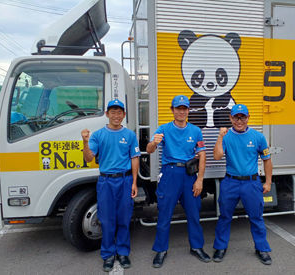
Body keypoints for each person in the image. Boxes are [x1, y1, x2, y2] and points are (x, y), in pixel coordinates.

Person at [146, 95, 211, 268]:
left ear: (188, 110)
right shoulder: (164, 129)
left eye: (184, 108)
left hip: (189, 175)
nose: (181, 111)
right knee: (165, 213)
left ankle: (196, 247)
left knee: (193, 213)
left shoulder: (195, 131)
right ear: (172, 110)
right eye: (178, 108)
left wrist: (200, 180)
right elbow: (149, 150)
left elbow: (202, 155)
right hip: (170, 173)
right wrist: (154, 142)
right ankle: (160, 250)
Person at [81, 99, 140, 272]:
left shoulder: (129, 135)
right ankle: (108, 255)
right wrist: (85, 142)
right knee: (106, 220)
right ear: (107, 114)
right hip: (106, 182)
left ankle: (123, 252)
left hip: (125, 180)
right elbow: (89, 158)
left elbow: (134, 158)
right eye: (112, 112)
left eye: (119, 112)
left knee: (124, 218)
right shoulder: (98, 135)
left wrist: (134, 182)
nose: (116, 115)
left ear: (123, 115)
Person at [212, 104, 273, 265]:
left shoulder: (258, 137)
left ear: (248, 118)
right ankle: (220, 247)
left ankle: (262, 248)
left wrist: (268, 182)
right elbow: (217, 156)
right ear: (231, 118)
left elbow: (267, 160)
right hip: (230, 182)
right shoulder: (226, 136)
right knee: (224, 216)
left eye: (242, 117)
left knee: (256, 217)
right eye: (236, 117)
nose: (239, 121)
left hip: (251, 184)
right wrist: (220, 137)